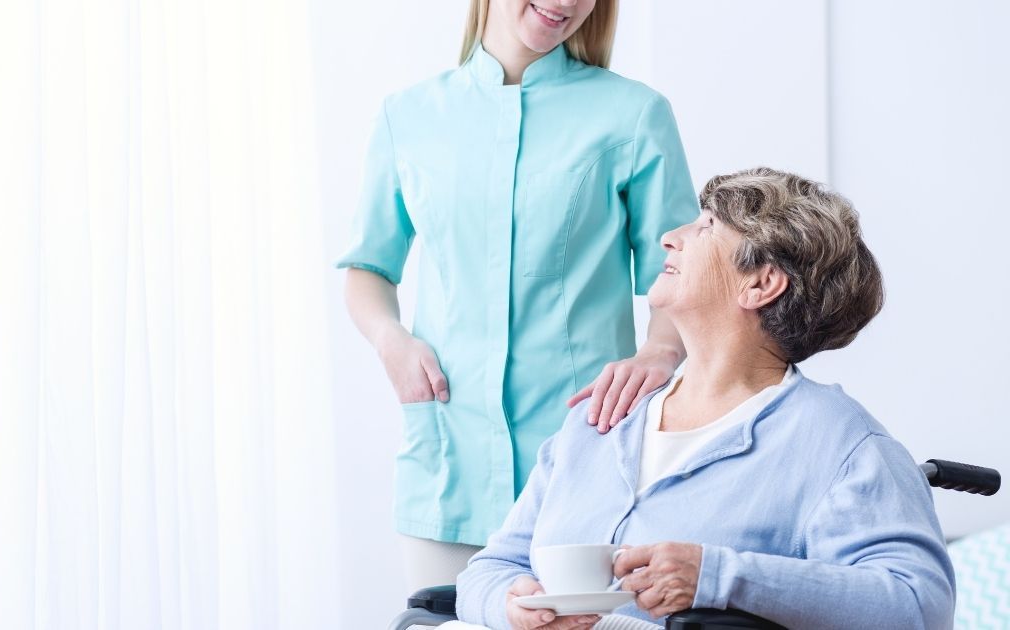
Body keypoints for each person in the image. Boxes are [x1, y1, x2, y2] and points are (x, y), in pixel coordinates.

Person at [455, 168, 955, 629]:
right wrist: (509, 605)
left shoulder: (840, 444)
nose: (669, 238)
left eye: (707, 225)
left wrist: (718, 576)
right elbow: (493, 568)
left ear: (761, 283)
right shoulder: (604, 417)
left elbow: (919, 605)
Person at [337, 0, 698, 590]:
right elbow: (367, 269)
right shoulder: (408, 116)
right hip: (448, 459)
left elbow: (680, 275)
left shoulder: (634, 116)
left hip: (585, 460)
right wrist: (390, 341)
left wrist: (659, 354)